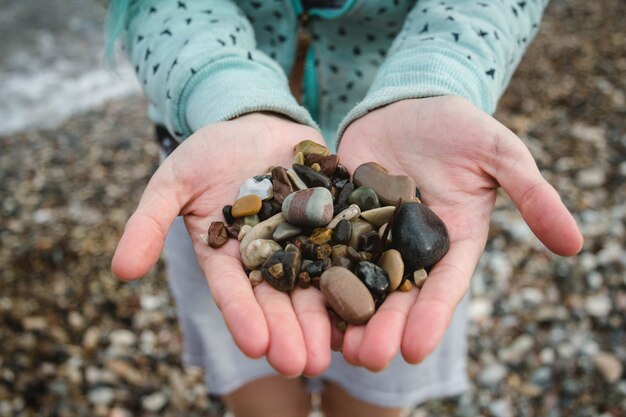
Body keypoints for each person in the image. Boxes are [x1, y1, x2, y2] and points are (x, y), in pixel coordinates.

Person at [106, 1, 583, 416]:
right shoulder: (255, 204)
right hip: (213, 160)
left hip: (418, 155)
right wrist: (224, 94)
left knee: (376, 383)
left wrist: (438, 79)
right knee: (255, 378)